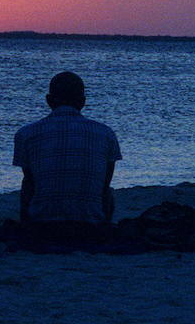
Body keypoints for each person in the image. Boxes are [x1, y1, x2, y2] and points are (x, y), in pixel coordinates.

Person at [11, 71, 122, 243]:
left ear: (48, 100)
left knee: (28, 185)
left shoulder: (26, 134)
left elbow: (30, 183)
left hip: (42, 225)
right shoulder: (105, 134)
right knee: (106, 190)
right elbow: (105, 184)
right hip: (91, 226)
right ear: (83, 102)